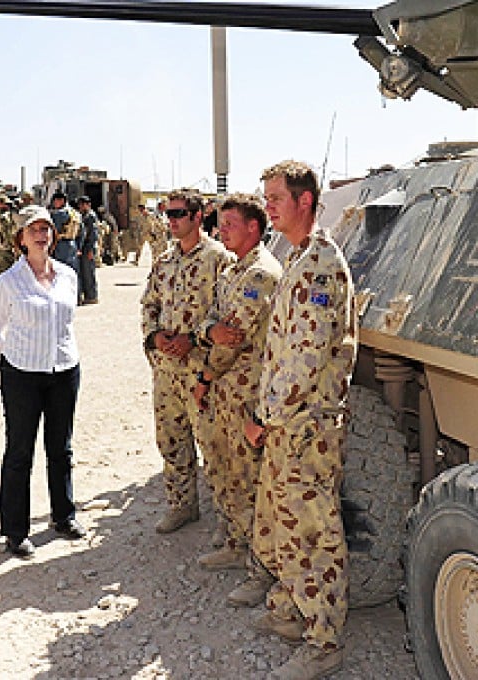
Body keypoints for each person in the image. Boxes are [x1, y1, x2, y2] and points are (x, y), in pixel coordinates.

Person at [244, 161, 356, 680]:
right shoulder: (297, 257)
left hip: (305, 425)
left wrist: (263, 418)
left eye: (275, 197)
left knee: (314, 534)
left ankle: (324, 640)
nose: (268, 205)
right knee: (281, 526)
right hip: (287, 423)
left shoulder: (319, 266)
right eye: (264, 197)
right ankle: (294, 608)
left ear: (304, 201)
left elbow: (306, 360)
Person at [0, 205, 85, 559]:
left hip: (64, 370)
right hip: (23, 375)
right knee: (19, 452)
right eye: (33, 229)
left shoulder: (68, 276)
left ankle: (64, 515)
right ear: (20, 239)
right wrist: (11, 364)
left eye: (46, 228)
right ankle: (15, 531)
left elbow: (68, 323)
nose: (41, 234)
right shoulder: (7, 283)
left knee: (61, 448)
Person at [190, 194, 281, 582]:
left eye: (229, 224)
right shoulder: (232, 271)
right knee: (229, 472)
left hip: (249, 392)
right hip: (228, 391)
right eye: (220, 224)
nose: (220, 230)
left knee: (252, 481)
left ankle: (261, 570)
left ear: (253, 228)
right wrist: (210, 330)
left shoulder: (261, 273)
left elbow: (233, 339)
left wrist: (206, 376)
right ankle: (236, 544)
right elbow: (208, 322)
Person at [140, 189, 233, 534]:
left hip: (202, 370)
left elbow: (227, 314)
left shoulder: (218, 259)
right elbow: (149, 304)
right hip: (167, 372)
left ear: (197, 217)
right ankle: (182, 505)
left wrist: (192, 340)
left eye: (179, 213)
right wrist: (155, 337)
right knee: (171, 439)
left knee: (214, 447)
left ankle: (229, 521)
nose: (171, 220)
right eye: (168, 213)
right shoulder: (164, 260)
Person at [49, 191, 80, 292]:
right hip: (72, 243)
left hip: (61, 244)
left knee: (61, 271)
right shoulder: (74, 213)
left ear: (61, 201)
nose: (54, 203)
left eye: (56, 201)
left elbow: (54, 228)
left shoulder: (60, 214)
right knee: (73, 271)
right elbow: (82, 232)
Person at [75, 196, 99, 304]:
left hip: (88, 247)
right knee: (84, 272)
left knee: (89, 272)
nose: (80, 206)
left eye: (82, 204)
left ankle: (92, 296)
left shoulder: (90, 217)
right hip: (83, 247)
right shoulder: (83, 216)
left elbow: (93, 235)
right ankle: (87, 295)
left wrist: (90, 250)